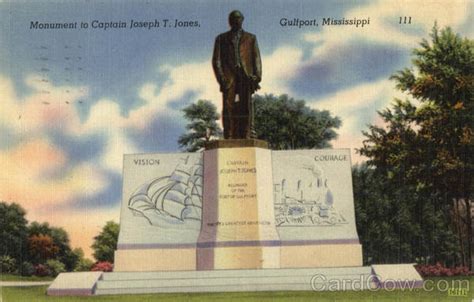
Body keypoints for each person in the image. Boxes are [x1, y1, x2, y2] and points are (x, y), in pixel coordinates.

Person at [212, 10, 262, 139]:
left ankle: (246, 134)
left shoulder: (251, 38)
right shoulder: (221, 38)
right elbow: (216, 60)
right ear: (229, 21)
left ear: (242, 20)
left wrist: (257, 76)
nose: (236, 20)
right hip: (229, 77)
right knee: (228, 106)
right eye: (233, 18)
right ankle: (228, 134)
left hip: (246, 76)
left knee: (246, 106)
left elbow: (256, 58)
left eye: (238, 18)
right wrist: (221, 79)